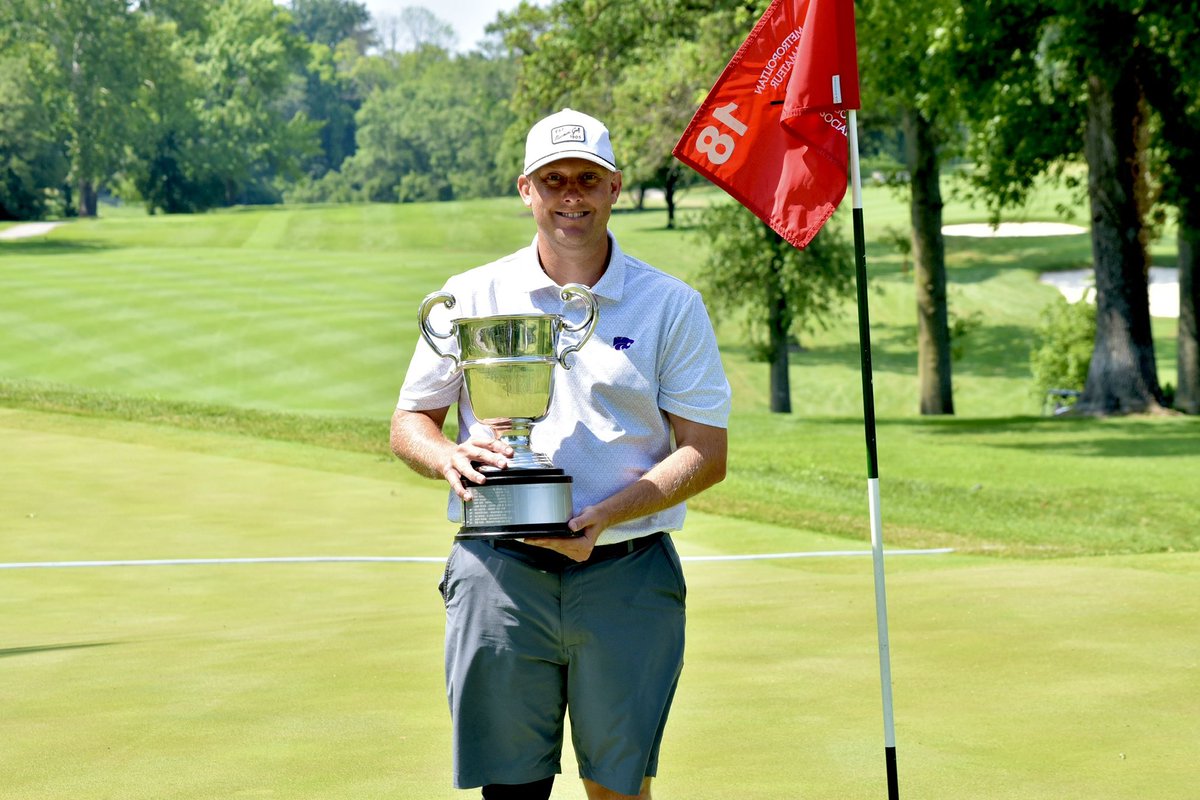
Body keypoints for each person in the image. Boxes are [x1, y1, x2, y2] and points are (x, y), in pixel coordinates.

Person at [390, 108, 731, 800]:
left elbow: (706, 453)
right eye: (553, 180)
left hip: (627, 571)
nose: (570, 195)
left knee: (618, 790)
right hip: (499, 571)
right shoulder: (474, 294)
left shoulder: (670, 305)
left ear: (615, 188)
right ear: (526, 189)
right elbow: (410, 420)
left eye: (587, 179)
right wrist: (447, 456)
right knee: (511, 791)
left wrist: (606, 514)